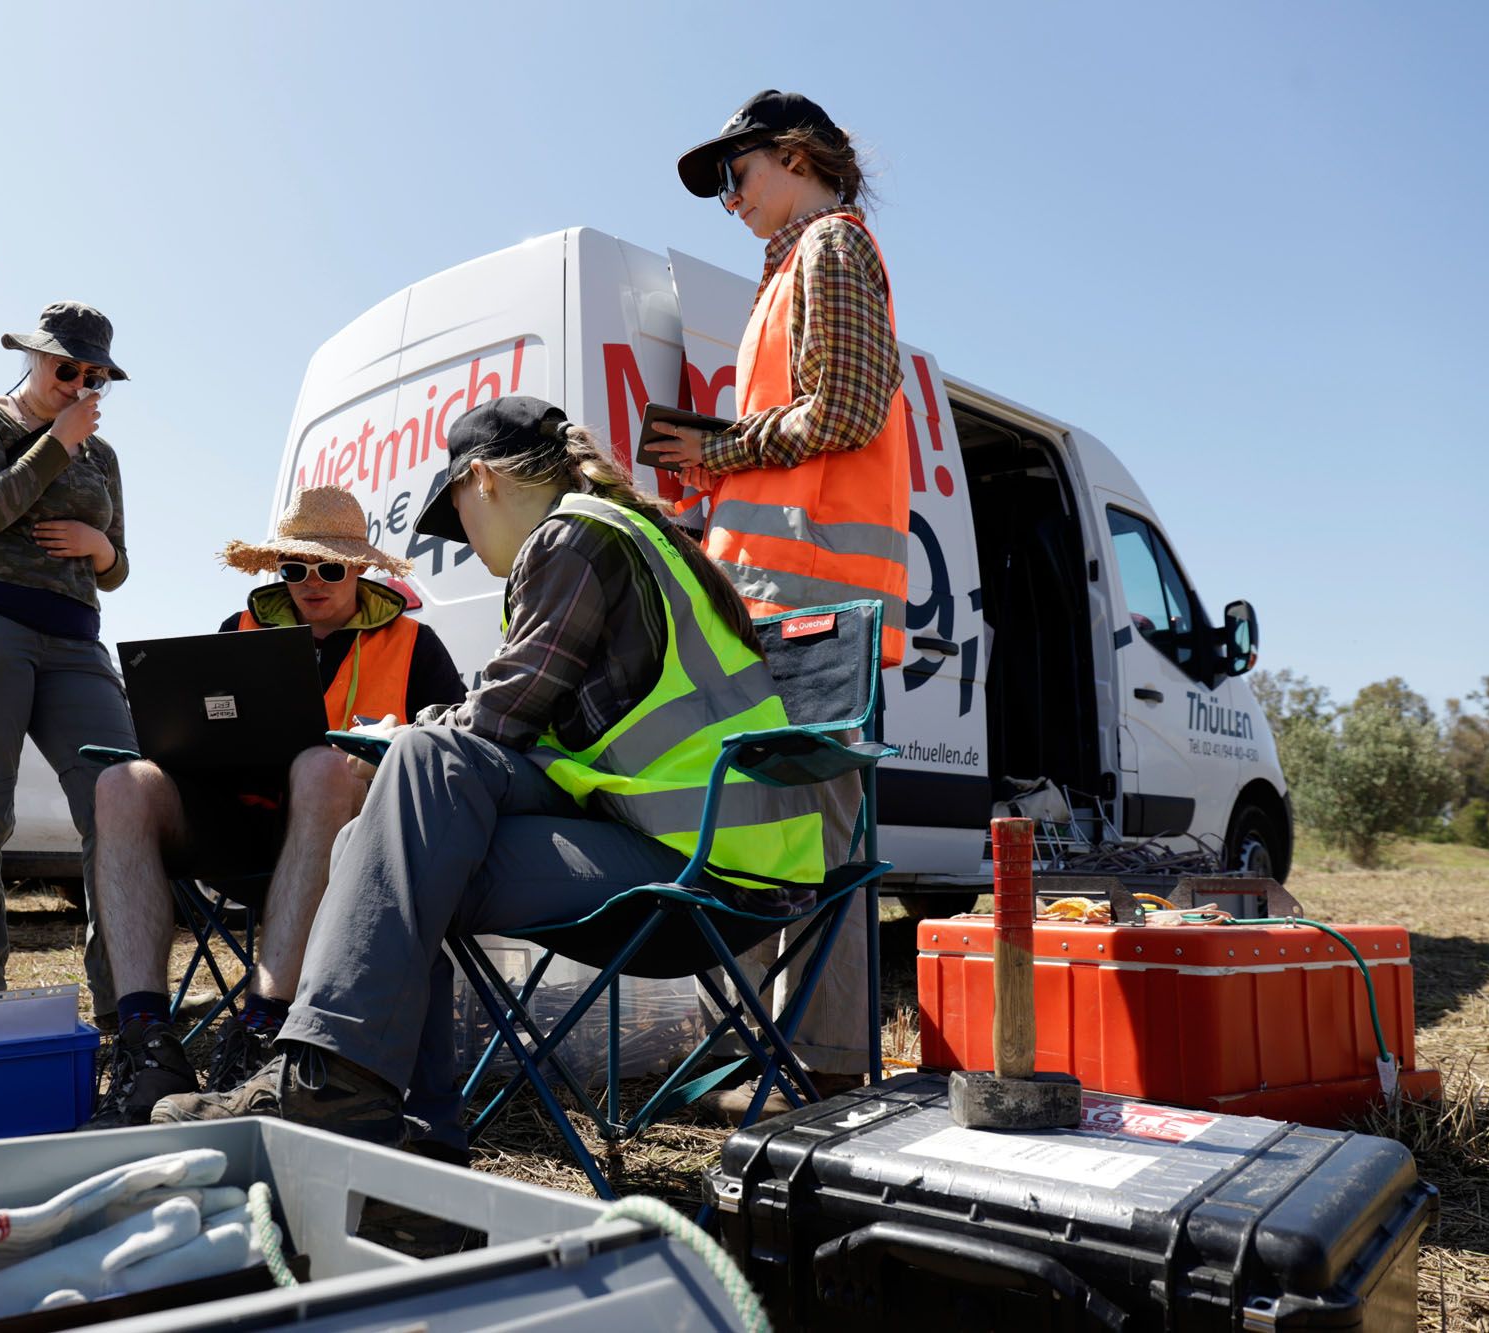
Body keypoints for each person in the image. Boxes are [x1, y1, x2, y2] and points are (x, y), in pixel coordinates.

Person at [178, 395, 830, 1152]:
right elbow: (529, 735)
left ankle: (339, 1089)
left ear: (480, 479)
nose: (466, 545)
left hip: (708, 870)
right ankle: (393, 1122)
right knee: (383, 833)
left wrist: (409, 733)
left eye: (456, 515)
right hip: (675, 838)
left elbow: (497, 718)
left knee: (411, 808)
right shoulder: (620, 532)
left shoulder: (573, 540)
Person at [650, 90, 914, 1117]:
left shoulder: (832, 248)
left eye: (733, 174)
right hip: (782, 590)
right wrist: (710, 475)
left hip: (813, 592)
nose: (726, 201)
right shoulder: (796, 266)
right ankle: (782, 1053)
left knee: (813, 829)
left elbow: (845, 408)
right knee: (774, 823)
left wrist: (716, 450)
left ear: (794, 155)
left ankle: (824, 1067)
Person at [82, 486, 464, 1129]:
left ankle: (263, 1024)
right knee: (121, 782)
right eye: (295, 568)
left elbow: (450, 747)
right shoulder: (240, 632)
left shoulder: (413, 645)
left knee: (321, 767)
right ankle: (147, 1043)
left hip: (348, 850)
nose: (311, 583)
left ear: (361, 568)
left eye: (330, 568)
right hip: (238, 825)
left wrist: (380, 747)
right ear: (276, 570)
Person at [0, 303, 139, 1013]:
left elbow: (116, 567)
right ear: (35, 358)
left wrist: (101, 546)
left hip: (76, 635)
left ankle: (125, 1000)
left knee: (121, 800)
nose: (80, 383)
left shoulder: (101, 454)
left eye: (94, 376)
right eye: (67, 368)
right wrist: (55, 439)